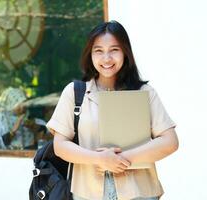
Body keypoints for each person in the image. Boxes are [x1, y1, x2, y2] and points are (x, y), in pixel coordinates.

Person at [46, 21, 179, 200]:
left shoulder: (144, 93)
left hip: (139, 193)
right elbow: (60, 146)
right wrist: (99, 159)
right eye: (99, 51)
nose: (106, 58)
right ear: (90, 55)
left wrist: (122, 158)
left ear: (125, 52)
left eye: (114, 50)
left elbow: (170, 141)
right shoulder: (75, 92)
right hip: (88, 193)